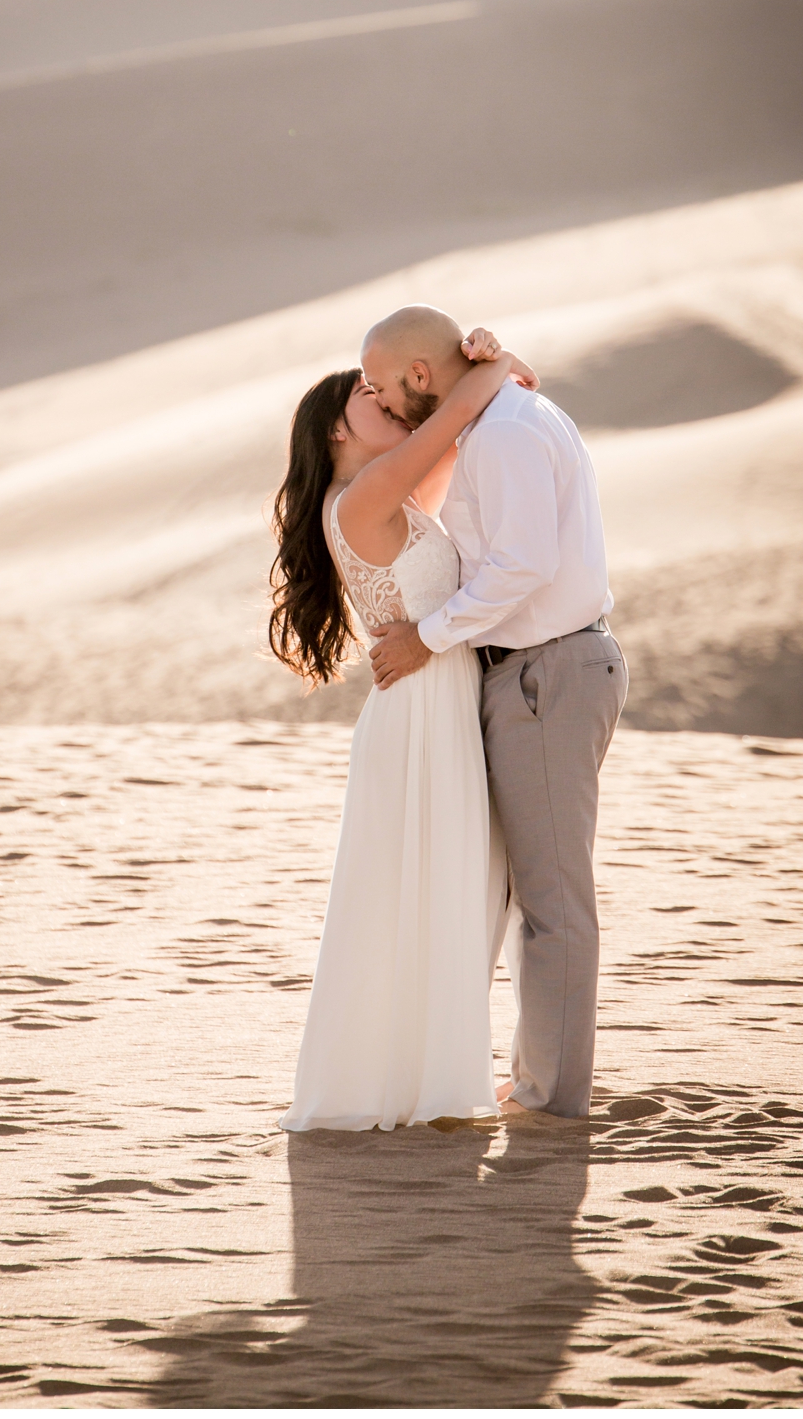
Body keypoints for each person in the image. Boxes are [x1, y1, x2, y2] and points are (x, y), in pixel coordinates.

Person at [359, 307, 626, 1120]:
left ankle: (551, 1102)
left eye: (377, 384)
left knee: (552, 901)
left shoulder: (506, 431)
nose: (372, 396)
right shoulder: (495, 419)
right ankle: (538, 1077)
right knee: (529, 895)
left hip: (549, 671)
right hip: (531, 672)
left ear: (418, 375)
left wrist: (426, 639)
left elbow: (522, 566)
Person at [266, 325, 533, 1131]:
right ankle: (415, 1088)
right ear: (338, 430)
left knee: (443, 893)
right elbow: (464, 410)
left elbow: (495, 398)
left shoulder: (384, 491)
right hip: (420, 713)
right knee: (427, 895)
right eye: (368, 396)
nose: (386, 402)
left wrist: (489, 364)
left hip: (434, 703)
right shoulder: (366, 497)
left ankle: (430, 1078)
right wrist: (479, 366)